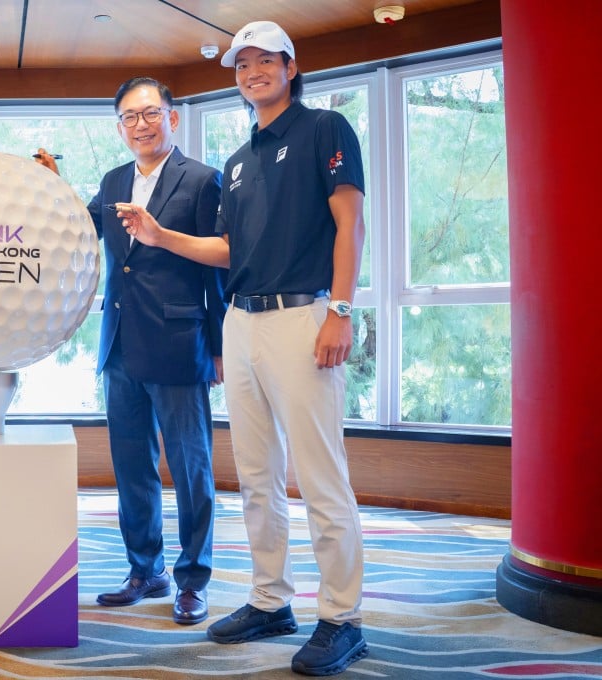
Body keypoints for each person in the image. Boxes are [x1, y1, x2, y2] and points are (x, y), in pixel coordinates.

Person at [120, 22, 368, 676]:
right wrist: (157, 234)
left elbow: (350, 221)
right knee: (256, 478)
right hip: (243, 321)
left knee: (319, 476)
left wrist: (340, 311)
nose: (252, 71)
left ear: (290, 66)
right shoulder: (237, 161)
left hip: (304, 315)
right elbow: (226, 250)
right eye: (242, 64)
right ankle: (269, 600)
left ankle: (342, 616)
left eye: (265, 60)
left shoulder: (325, 131)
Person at [35, 76, 225, 625]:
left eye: (150, 114)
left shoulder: (202, 180)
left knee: (191, 469)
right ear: (119, 127)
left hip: (179, 344)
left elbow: (218, 266)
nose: (140, 125)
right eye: (129, 118)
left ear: (173, 117)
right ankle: (146, 569)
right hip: (119, 346)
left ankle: (193, 579)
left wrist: (215, 345)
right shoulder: (114, 178)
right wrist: (54, 189)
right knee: (132, 469)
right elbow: (81, 229)